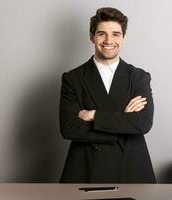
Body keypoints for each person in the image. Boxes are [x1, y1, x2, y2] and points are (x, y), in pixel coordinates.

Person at [58, 7, 156, 183]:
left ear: (124, 38)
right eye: (102, 33)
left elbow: (143, 123)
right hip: (86, 168)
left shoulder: (139, 77)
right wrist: (124, 121)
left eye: (116, 34)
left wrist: (93, 115)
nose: (108, 40)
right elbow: (69, 128)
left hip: (131, 168)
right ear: (92, 36)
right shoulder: (72, 78)